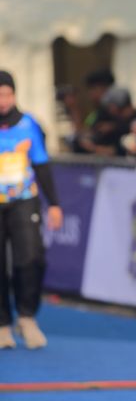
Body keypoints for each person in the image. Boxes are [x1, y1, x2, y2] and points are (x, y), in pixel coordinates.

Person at [0, 71, 63, 349]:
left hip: (24, 200)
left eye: (7, 94)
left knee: (30, 258)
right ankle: (2, 324)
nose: (3, 101)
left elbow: (42, 164)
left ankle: (27, 317)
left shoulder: (28, 124)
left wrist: (55, 203)